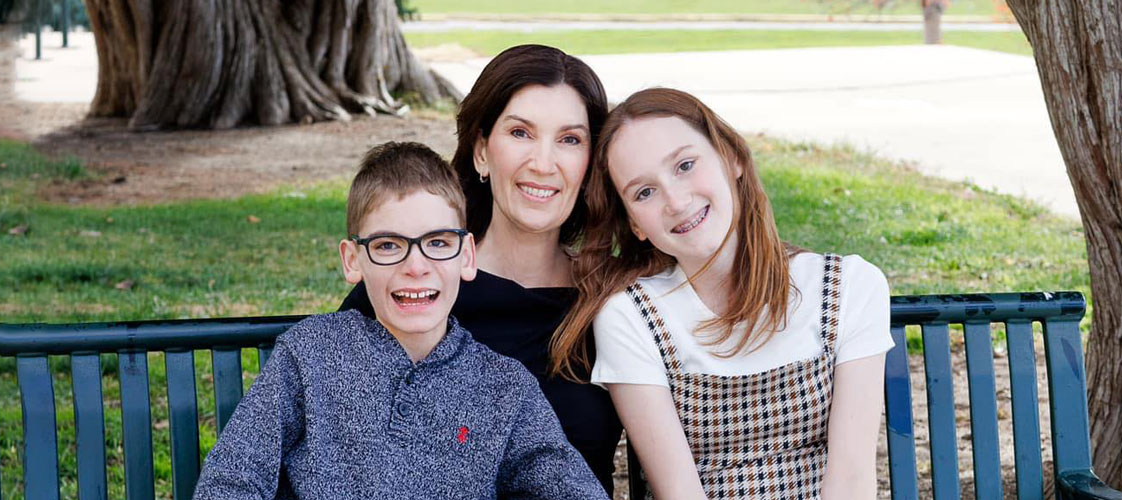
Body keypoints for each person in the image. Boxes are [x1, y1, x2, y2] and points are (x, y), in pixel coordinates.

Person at [195, 142, 606, 500]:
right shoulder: (309, 354)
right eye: (388, 245)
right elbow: (233, 478)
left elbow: (569, 487)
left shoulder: (504, 388)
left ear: (466, 256)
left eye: (437, 243)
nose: (416, 266)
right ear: (352, 260)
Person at [550, 88, 892, 499]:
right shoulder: (632, 317)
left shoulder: (847, 286)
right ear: (635, 225)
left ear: (732, 159)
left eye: (685, 165)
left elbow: (852, 481)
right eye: (644, 192)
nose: (676, 201)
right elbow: (678, 492)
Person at [338, 44, 623, 493]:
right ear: (481, 151)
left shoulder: (612, 301)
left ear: (590, 164)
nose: (543, 163)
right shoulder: (415, 284)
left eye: (569, 139)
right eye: (520, 133)